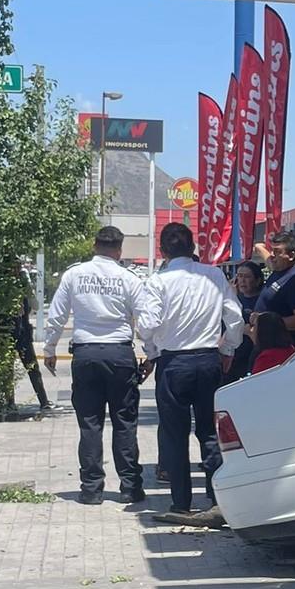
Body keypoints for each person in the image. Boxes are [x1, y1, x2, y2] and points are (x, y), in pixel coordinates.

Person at [138, 222, 243, 528]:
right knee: (210, 432)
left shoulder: (158, 282)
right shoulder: (213, 274)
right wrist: (228, 351)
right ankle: (216, 501)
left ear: (163, 250)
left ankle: (181, 503)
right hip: (208, 359)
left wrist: (153, 349)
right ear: (193, 247)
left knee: (174, 434)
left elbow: (147, 325)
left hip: (174, 363)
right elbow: (234, 317)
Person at [43, 226, 154, 506]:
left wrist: (49, 348)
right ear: (119, 249)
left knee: (90, 424)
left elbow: (56, 315)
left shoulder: (74, 275)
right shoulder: (128, 278)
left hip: (86, 354)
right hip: (119, 355)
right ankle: (130, 487)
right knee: (124, 423)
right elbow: (146, 322)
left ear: (94, 246)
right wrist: (151, 354)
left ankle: (91, 489)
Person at [4, 266, 58, 413]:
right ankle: (15, 403)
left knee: (26, 369)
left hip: (16, 332)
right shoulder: (9, 286)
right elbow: (35, 305)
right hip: (13, 333)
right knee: (18, 370)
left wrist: (26, 285)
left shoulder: (15, 286)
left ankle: (39, 401)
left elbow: (35, 305)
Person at [254, 230, 295, 350]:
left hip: (281, 348)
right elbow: (269, 260)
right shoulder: (280, 268)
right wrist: (259, 248)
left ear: (291, 256)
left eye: (277, 252)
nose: (272, 256)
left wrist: (263, 322)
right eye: (272, 251)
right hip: (265, 344)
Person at [225, 260, 265, 382]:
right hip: (233, 354)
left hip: (251, 354)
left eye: (247, 277)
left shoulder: (262, 300)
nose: (242, 281)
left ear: (257, 280)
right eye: (239, 276)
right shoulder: (234, 297)